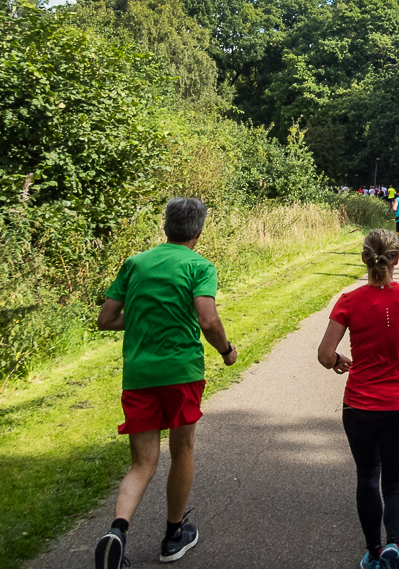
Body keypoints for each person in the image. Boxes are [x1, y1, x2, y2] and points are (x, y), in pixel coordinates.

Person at [94, 198, 239, 569]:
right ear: (199, 230)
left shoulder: (136, 263)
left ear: (166, 226)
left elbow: (107, 319)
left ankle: (117, 533)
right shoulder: (199, 266)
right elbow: (207, 319)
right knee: (183, 450)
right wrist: (226, 350)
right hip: (181, 373)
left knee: (142, 463)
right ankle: (173, 537)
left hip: (139, 374)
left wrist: (146, 315)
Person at [318, 229, 399, 569]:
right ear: (397, 259)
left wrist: (338, 362)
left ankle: (374, 551)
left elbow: (324, 353)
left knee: (367, 476)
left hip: (360, 406)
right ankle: (396, 546)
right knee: (397, 481)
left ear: (364, 258)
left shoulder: (349, 300)